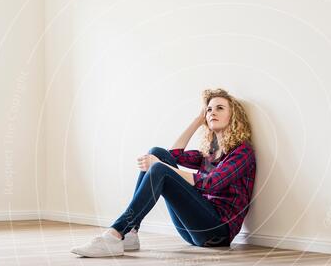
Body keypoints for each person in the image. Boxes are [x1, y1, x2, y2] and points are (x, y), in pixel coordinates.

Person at [70, 88, 257, 257]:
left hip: (217, 232)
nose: (212, 112)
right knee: (156, 153)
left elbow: (211, 182)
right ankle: (131, 232)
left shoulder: (242, 152)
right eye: (209, 109)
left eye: (220, 108)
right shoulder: (209, 152)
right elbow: (173, 155)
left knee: (159, 166)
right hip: (193, 229)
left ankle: (115, 233)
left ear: (233, 116)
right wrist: (197, 121)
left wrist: (162, 165)